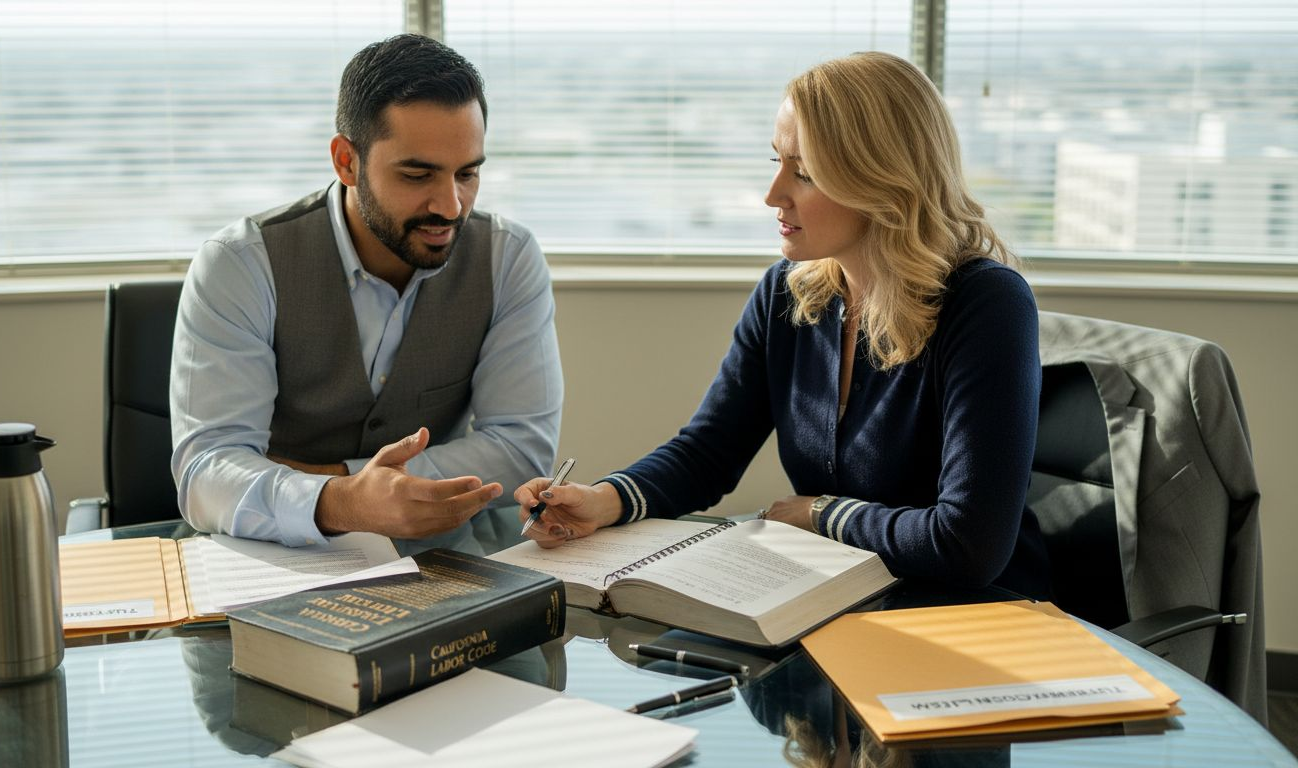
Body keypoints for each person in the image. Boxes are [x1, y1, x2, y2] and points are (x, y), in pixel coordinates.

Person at [515, 52, 1049, 598]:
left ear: (881, 181)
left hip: (976, 616)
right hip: (837, 600)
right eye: (777, 162)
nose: (773, 194)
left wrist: (822, 514)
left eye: (805, 173)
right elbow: (709, 452)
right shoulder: (788, 291)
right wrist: (603, 501)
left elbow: (968, 544)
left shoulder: (987, 304)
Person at [171, 34, 562, 548]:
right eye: (418, 174)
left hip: (436, 551)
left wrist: (324, 475)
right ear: (346, 161)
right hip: (263, 552)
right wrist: (345, 500)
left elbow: (521, 452)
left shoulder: (507, 258)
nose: (451, 205)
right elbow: (207, 474)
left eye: (467, 173)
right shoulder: (239, 264)